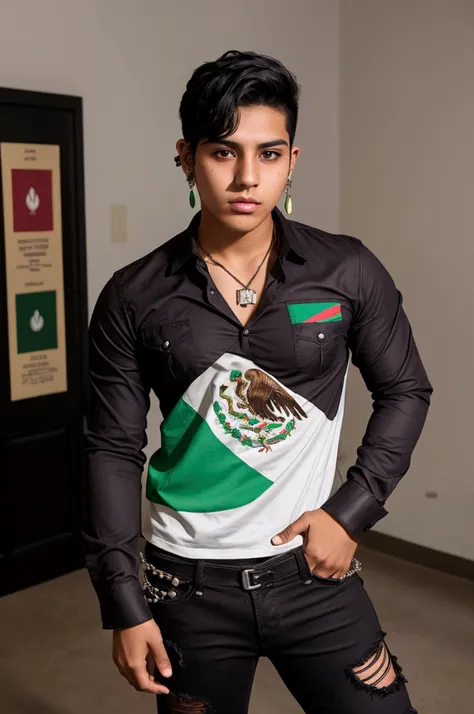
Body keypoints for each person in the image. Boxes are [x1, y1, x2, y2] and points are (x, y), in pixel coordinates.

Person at [83, 50, 431, 714]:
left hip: (315, 572)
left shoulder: (347, 270)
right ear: (186, 156)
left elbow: (405, 390)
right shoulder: (133, 296)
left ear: (292, 161)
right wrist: (121, 604)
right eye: (223, 152)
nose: (247, 177)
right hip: (183, 587)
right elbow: (110, 449)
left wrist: (349, 512)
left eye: (268, 154)